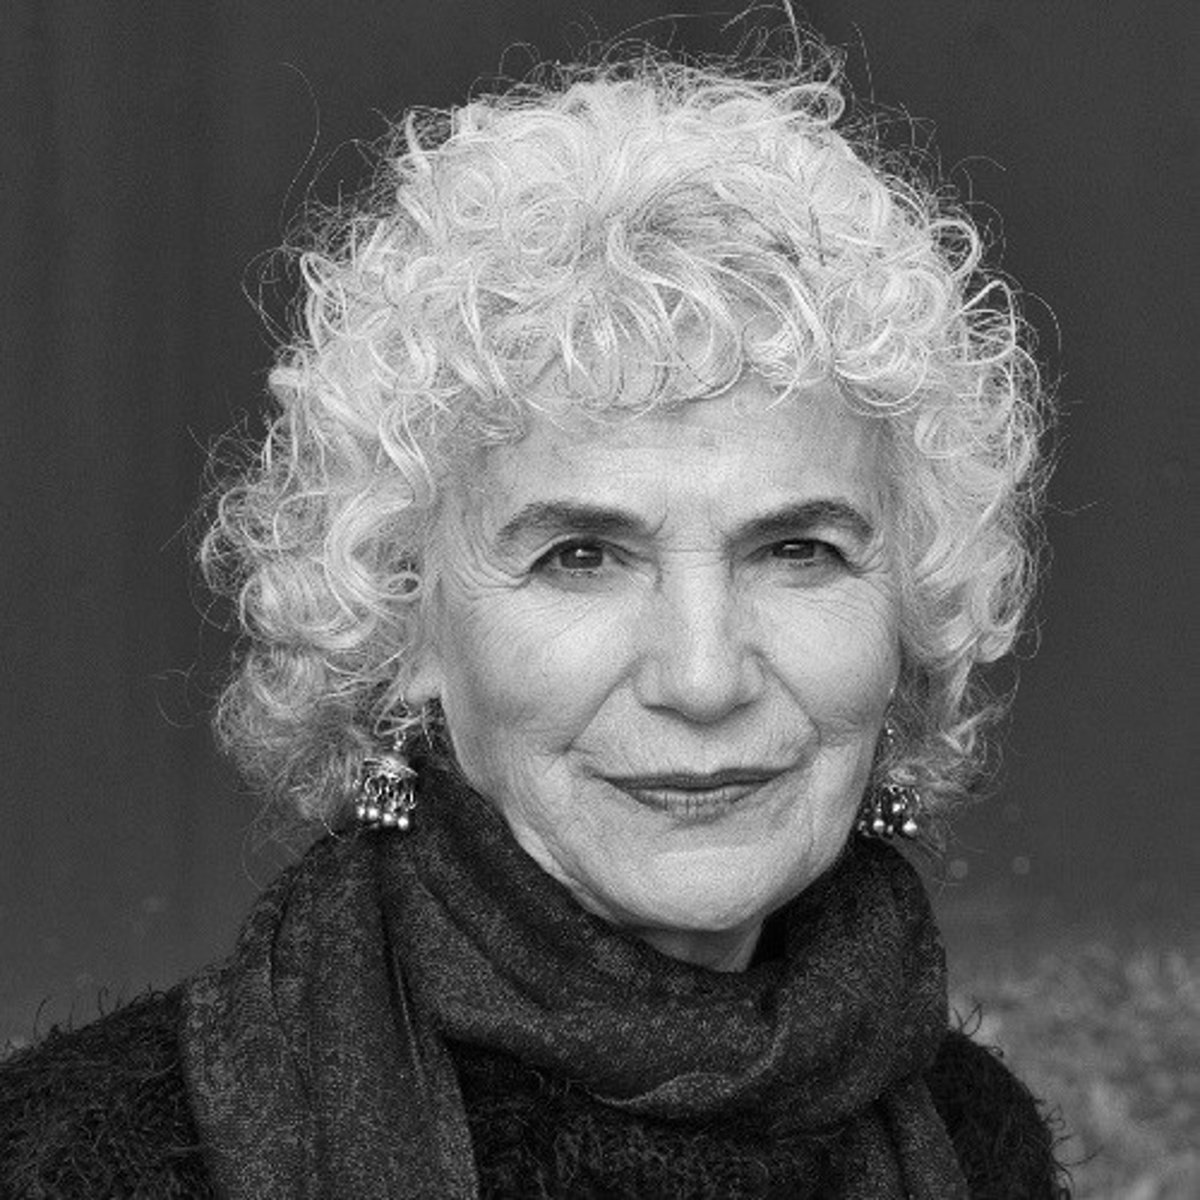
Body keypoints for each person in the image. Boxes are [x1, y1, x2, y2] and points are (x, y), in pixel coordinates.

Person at [1, 48, 1066, 1198]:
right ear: (404, 625)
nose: (703, 675)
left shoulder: (975, 1139)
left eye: (797, 550)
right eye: (581, 558)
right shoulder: (91, 1163)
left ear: (909, 615)